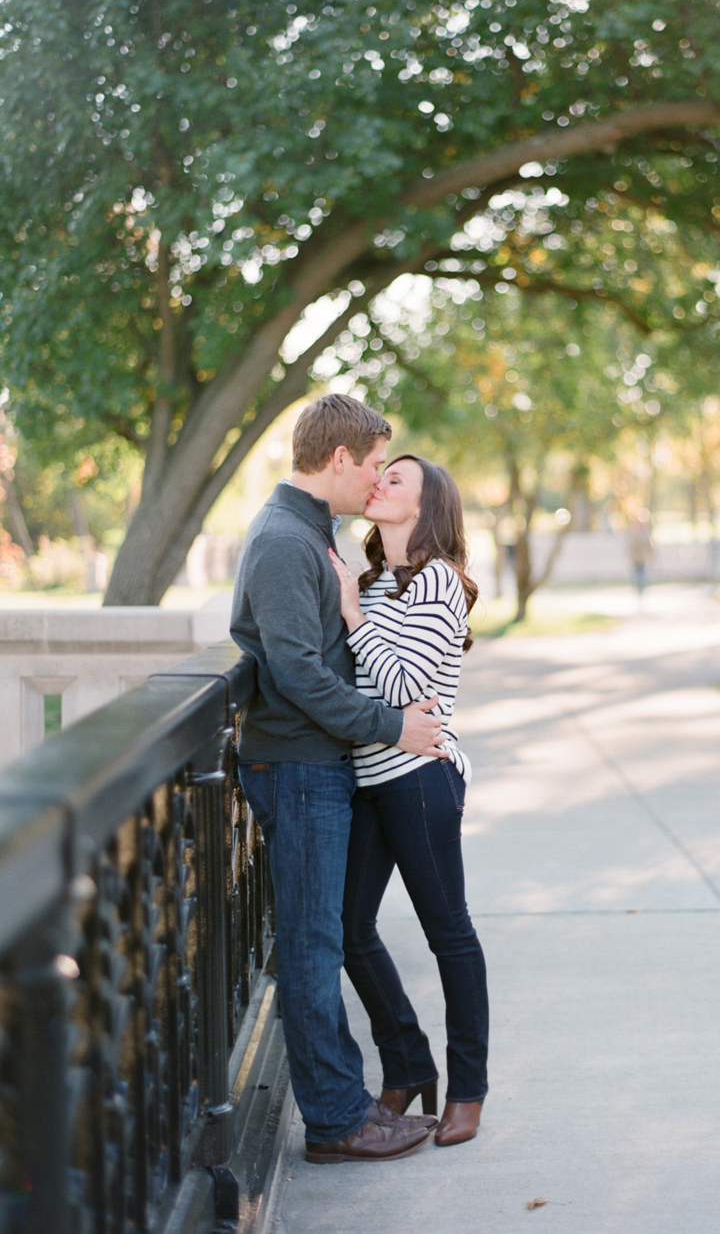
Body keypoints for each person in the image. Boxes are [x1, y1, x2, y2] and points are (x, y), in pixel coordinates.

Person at [231, 394, 447, 1163]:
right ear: (339, 459)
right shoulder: (286, 540)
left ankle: (348, 1103)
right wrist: (395, 725)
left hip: (316, 763)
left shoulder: (306, 530)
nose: (378, 479)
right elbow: (296, 674)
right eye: (374, 463)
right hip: (297, 766)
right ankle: (336, 1120)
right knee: (313, 947)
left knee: (321, 939)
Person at [329, 454, 489, 1148]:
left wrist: (351, 614)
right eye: (380, 474)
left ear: (426, 508)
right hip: (369, 778)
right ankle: (406, 1059)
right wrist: (358, 602)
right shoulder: (374, 580)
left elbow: (401, 686)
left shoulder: (437, 582)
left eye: (397, 480)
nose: (379, 483)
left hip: (420, 781)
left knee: (447, 931)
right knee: (346, 928)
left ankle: (469, 1088)